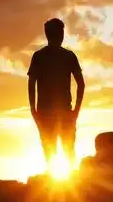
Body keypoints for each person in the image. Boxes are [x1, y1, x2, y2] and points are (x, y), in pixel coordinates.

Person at [27, 18, 85, 166]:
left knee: (51, 152)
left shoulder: (39, 56)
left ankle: (58, 178)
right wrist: (76, 110)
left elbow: (31, 83)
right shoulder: (67, 56)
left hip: (51, 112)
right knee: (66, 151)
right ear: (61, 34)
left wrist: (33, 109)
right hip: (60, 112)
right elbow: (81, 84)